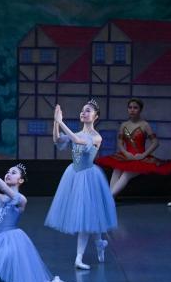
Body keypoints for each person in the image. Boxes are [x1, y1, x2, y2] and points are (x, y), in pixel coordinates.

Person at [0, 152, 76, 282]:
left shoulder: (21, 199)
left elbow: (5, 189)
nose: (8, 174)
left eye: (13, 173)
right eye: (7, 172)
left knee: (0, 261)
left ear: (21, 180)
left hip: (12, 239)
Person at [45, 100, 117, 270]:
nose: (84, 113)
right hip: (74, 176)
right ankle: (99, 243)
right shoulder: (75, 133)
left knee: (87, 217)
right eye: (82, 110)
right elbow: (57, 140)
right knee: (89, 216)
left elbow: (77, 140)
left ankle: (79, 257)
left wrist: (61, 122)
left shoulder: (96, 137)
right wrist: (56, 122)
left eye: (88, 110)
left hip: (89, 178)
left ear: (96, 116)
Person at [95, 98, 169, 197]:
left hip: (140, 158)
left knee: (126, 173)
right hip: (126, 156)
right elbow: (120, 142)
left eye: (135, 108)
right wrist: (126, 153)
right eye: (130, 107)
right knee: (116, 170)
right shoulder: (124, 125)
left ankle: (108, 198)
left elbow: (155, 142)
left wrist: (143, 155)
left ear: (140, 110)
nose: (132, 110)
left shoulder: (145, 125)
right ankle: (110, 198)